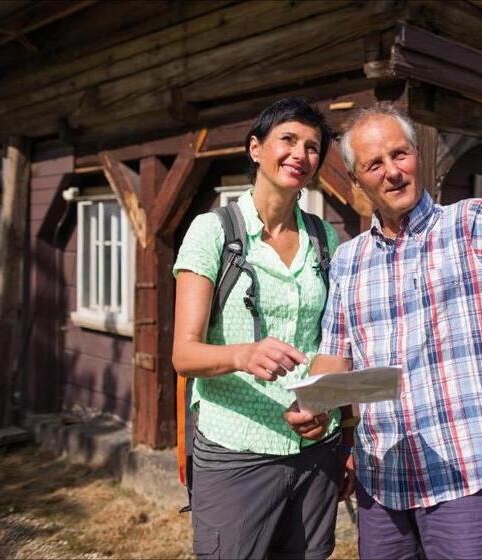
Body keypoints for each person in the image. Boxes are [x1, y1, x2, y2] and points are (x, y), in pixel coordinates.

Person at [287, 82, 482, 559]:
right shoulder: (349, 261)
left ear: (417, 155)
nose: (393, 172)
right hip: (382, 480)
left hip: (464, 475)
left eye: (400, 154)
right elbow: (336, 356)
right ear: (357, 181)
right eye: (375, 164)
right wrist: (317, 405)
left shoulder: (469, 227)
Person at [172, 98, 353, 560]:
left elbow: (329, 343)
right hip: (238, 450)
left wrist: (325, 408)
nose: (301, 154)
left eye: (313, 147)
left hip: (315, 448)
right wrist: (240, 354)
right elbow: (184, 354)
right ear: (256, 148)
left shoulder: (324, 237)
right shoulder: (212, 231)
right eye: (287, 139)